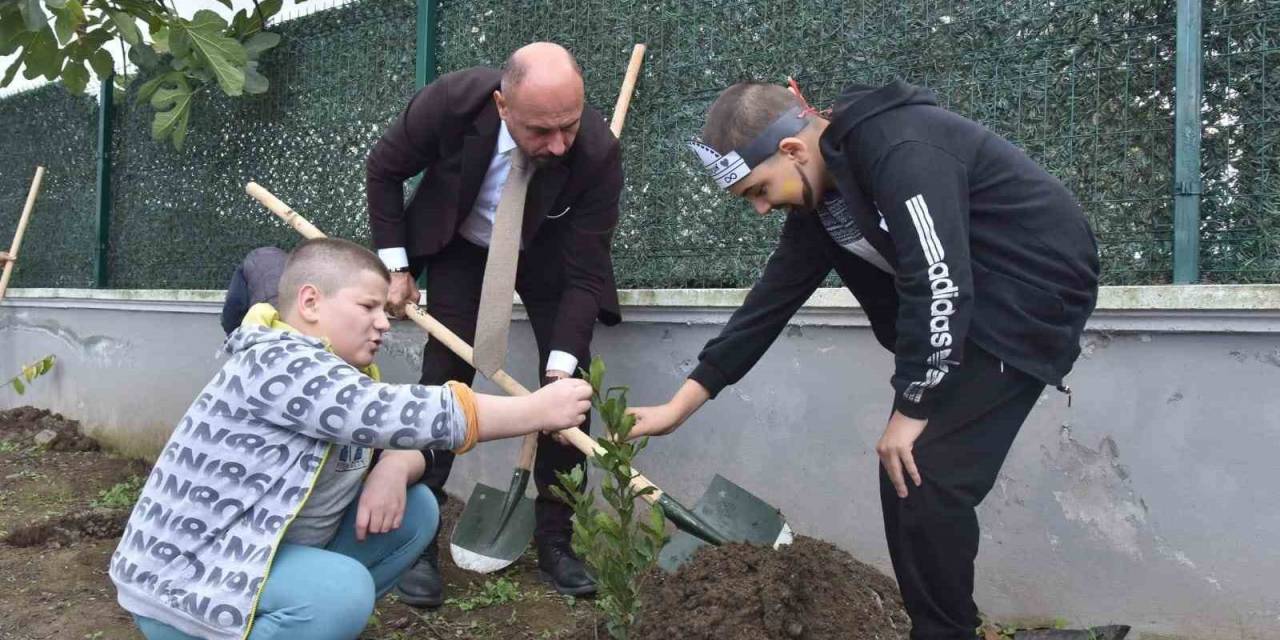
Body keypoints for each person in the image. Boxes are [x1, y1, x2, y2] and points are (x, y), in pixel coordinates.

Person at [629, 79, 1100, 639]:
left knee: (927, 471)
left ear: (792, 150)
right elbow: (768, 304)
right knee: (907, 473)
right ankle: (946, 627)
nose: (760, 208)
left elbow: (938, 277)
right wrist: (679, 407)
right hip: (970, 308)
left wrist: (914, 403)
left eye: (758, 190)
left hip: (1028, 296)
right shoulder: (824, 201)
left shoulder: (901, 148)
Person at [110, 237, 592, 640]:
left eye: (385, 309)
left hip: (255, 557)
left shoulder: (336, 375)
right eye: (368, 307)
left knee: (416, 508)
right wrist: (534, 410)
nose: (385, 322)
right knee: (340, 592)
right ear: (310, 302)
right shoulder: (281, 362)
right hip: (182, 584)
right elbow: (406, 413)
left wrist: (394, 465)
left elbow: (397, 432)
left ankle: (294, 623)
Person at [365, 41, 622, 603]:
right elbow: (383, 170)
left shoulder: (597, 152)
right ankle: (419, 533)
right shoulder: (454, 102)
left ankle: (557, 538)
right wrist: (396, 266)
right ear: (503, 106)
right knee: (444, 375)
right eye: (540, 131)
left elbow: (585, 275)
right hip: (461, 245)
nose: (557, 145)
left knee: (570, 387)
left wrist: (558, 374)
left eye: (569, 126)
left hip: (551, 252)